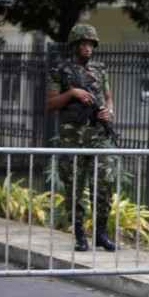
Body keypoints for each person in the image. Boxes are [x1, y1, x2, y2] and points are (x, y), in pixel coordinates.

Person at [46, 23, 117, 252]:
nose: (88, 48)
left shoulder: (100, 69)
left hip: (98, 136)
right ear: (74, 45)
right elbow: (50, 103)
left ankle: (101, 233)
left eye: (91, 44)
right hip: (73, 137)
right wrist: (72, 93)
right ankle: (79, 234)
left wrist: (108, 111)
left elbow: (108, 98)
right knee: (74, 186)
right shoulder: (61, 70)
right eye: (84, 44)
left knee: (105, 183)